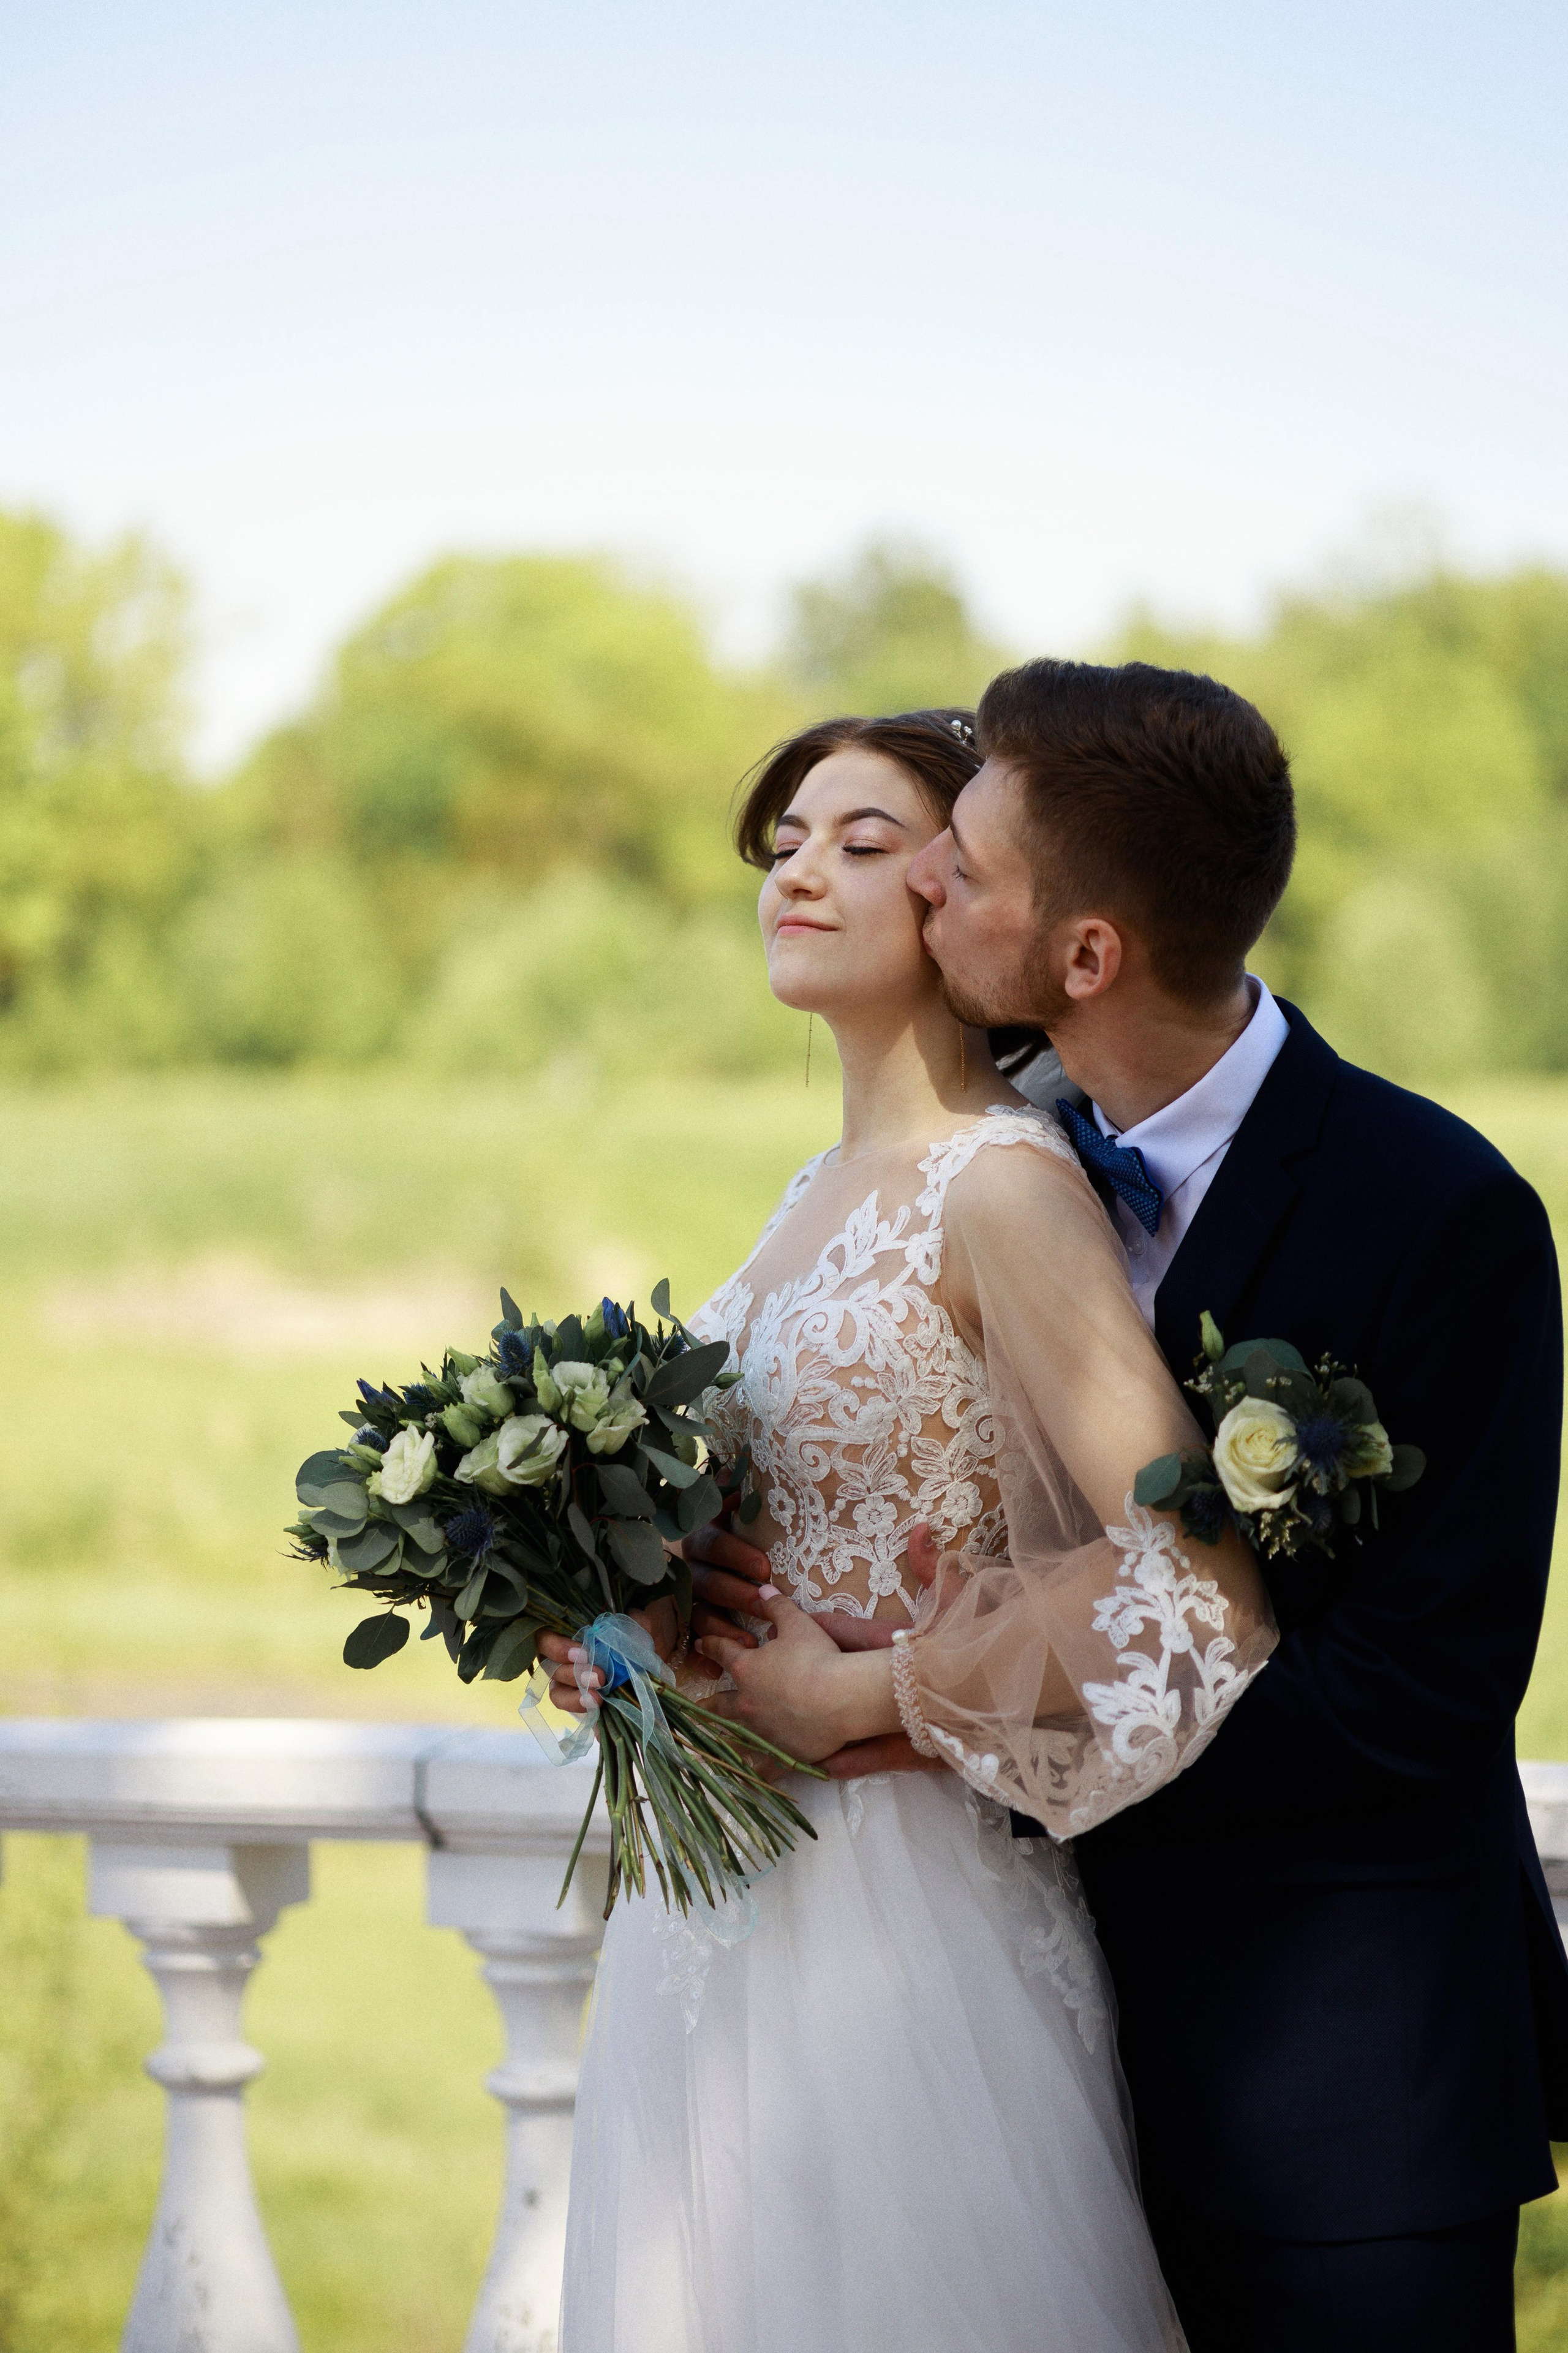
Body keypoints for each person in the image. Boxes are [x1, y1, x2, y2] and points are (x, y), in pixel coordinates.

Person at [690, 659, 1568, 2352]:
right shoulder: (985, 1154)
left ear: (1085, 956)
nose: (922, 875)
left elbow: (1415, 1692)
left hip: (1335, 2089)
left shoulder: (1437, 1208)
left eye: (959, 864)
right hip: (1012, 2053)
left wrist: (907, 1715)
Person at [545, 708, 1275, 2352]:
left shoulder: (1002, 1187)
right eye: (787, 841)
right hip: (718, 1930)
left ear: (952, 897)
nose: (799, 870)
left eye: (864, 843)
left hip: (906, 1929)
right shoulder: (806, 1192)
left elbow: (1201, 1586)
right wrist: (630, 1645)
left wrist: (866, 1698)